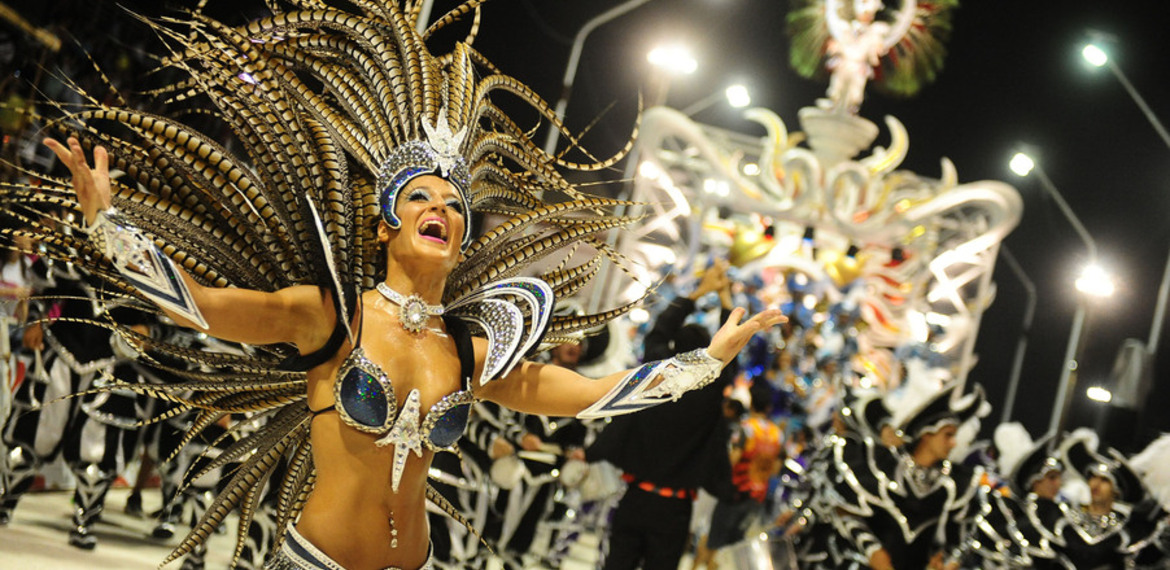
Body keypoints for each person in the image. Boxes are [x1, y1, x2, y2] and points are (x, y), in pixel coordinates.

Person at [17, 3, 785, 569]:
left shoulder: (469, 349)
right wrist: (109, 226)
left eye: (455, 206)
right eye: (421, 197)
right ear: (385, 224)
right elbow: (200, 306)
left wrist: (707, 362)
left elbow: (589, 393)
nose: (442, 210)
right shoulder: (329, 319)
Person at [589, 259, 745, 570]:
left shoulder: (658, 376)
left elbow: (659, 332)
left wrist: (697, 294)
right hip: (675, 508)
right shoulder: (710, 388)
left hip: (635, 497)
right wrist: (727, 302)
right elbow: (730, 353)